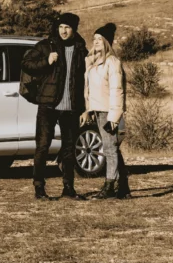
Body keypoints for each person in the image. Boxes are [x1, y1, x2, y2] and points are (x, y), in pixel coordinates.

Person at [21, 12, 88, 200]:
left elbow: (84, 81)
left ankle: (69, 189)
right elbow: (26, 64)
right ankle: (39, 189)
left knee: (68, 149)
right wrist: (46, 61)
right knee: (42, 146)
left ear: (74, 29)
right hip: (48, 105)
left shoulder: (81, 49)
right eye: (60, 27)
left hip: (72, 107)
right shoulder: (46, 46)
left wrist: (84, 108)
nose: (63, 31)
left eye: (67, 27)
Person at [82, 23, 130, 199]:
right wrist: (88, 109)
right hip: (98, 110)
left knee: (110, 150)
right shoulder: (93, 61)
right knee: (112, 149)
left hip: (108, 112)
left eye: (99, 40)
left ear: (107, 43)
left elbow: (117, 90)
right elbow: (89, 89)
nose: (95, 42)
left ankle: (110, 185)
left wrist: (114, 117)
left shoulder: (112, 62)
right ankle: (123, 187)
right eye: (94, 39)